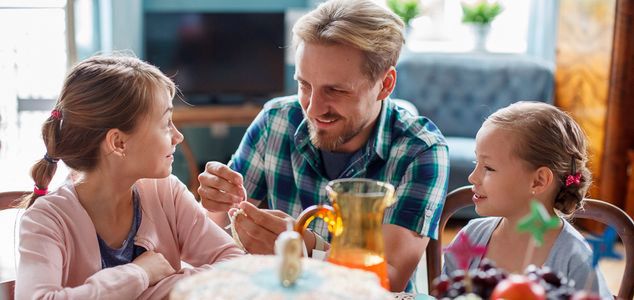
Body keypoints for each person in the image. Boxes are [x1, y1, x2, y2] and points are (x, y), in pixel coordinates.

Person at [197, 0, 450, 291]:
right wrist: (215, 204)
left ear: (386, 83)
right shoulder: (275, 120)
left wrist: (305, 248)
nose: (314, 109)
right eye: (304, 85)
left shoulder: (421, 151)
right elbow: (216, 230)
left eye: (336, 90)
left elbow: (389, 278)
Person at [16, 55, 244, 299]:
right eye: (166, 123)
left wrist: (164, 288)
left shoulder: (167, 192)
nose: (178, 137)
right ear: (119, 142)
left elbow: (235, 264)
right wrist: (139, 273)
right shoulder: (45, 220)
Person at [442, 101, 611, 297]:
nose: (472, 177)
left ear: (538, 181)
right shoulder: (470, 236)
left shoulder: (576, 260)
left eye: (488, 168)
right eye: (476, 162)